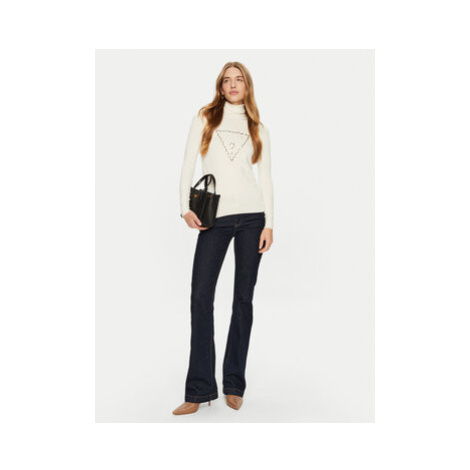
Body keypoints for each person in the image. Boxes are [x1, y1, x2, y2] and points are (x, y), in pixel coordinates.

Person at [172, 61, 274, 415]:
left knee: (242, 300)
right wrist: (184, 207)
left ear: (247, 86)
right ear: (220, 86)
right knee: (201, 297)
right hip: (214, 218)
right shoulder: (205, 118)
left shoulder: (258, 127)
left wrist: (269, 223)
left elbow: (266, 178)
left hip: (252, 218)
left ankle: (234, 384)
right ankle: (199, 390)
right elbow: (188, 163)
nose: (233, 85)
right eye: (227, 80)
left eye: (239, 79)